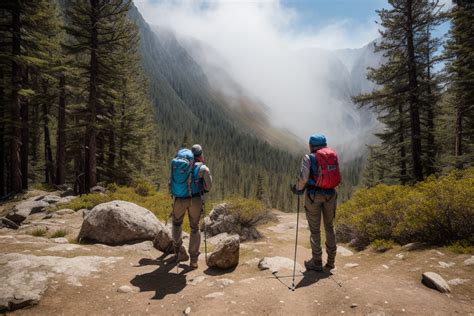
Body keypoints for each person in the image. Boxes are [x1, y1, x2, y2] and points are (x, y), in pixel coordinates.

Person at [291, 134, 341, 272]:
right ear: (324, 144)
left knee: (315, 229)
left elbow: (303, 178)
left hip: (314, 195)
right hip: (331, 194)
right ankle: (331, 261)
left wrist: (297, 189)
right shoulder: (332, 155)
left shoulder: (309, 158)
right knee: (329, 226)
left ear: (311, 145)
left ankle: (317, 261)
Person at [171, 144, 212, 269]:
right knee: (194, 228)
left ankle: (177, 252)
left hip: (178, 199)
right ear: (200, 155)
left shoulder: (180, 164)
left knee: (177, 224)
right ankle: (193, 260)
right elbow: (208, 187)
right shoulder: (202, 168)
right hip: (195, 200)